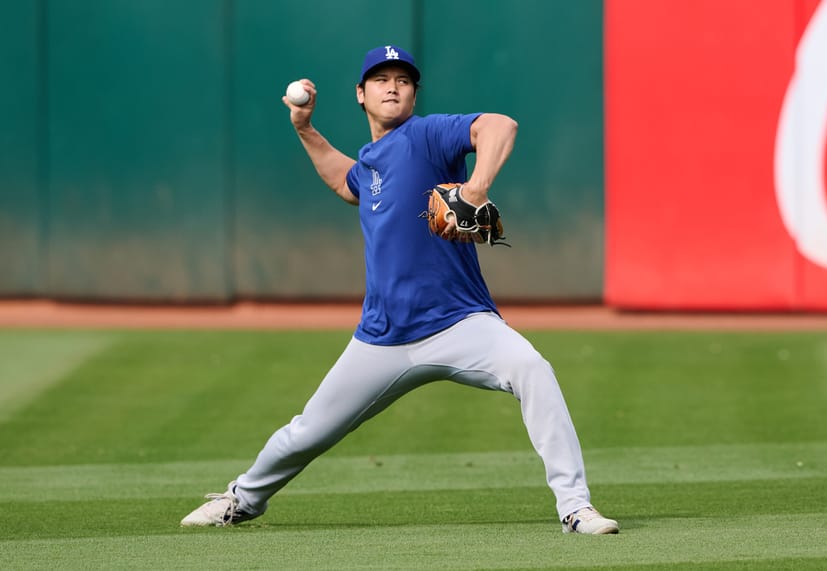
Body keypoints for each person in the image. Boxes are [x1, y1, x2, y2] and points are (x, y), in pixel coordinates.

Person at [181, 44, 618, 535]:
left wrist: (475, 187)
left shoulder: (426, 136)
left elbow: (500, 125)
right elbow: (345, 182)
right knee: (308, 430)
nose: (392, 85)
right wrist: (304, 129)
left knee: (532, 368)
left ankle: (574, 506)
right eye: (381, 78)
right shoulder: (370, 161)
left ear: (413, 93)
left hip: (460, 323)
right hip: (381, 339)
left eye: (403, 79)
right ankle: (242, 499)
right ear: (360, 95)